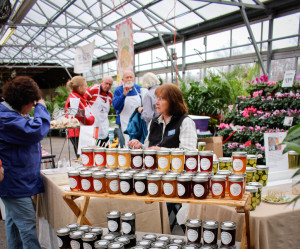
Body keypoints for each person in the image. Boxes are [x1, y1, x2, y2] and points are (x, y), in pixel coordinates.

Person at [0, 76, 50, 249]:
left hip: (16, 181)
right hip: (14, 183)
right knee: (27, 226)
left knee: (14, 224)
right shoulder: (6, 119)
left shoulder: (9, 114)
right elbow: (35, 131)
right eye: (32, 102)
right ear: (23, 101)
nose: (33, 106)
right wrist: (41, 108)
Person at [128, 83, 197, 150]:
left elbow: (188, 151)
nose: (156, 103)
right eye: (157, 98)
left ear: (173, 101)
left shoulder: (185, 122)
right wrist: (140, 146)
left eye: (161, 99)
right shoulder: (153, 122)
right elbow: (148, 147)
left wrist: (161, 150)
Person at [65, 76, 95, 155]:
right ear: (79, 88)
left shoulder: (82, 98)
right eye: (85, 86)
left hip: (83, 131)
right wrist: (92, 118)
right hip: (77, 132)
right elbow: (85, 119)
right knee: (82, 155)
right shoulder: (74, 100)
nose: (87, 88)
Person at [112, 70, 143, 147]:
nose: (129, 79)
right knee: (126, 144)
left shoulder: (139, 89)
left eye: (131, 77)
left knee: (138, 144)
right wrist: (124, 94)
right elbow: (116, 106)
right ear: (123, 80)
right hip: (124, 122)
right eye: (127, 77)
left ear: (134, 78)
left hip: (138, 122)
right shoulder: (118, 90)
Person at [85, 76, 113, 147]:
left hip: (104, 126)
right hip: (93, 126)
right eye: (106, 83)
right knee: (93, 150)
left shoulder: (110, 95)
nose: (107, 86)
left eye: (110, 84)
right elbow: (83, 101)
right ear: (102, 82)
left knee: (105, 150)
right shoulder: (92, 90)